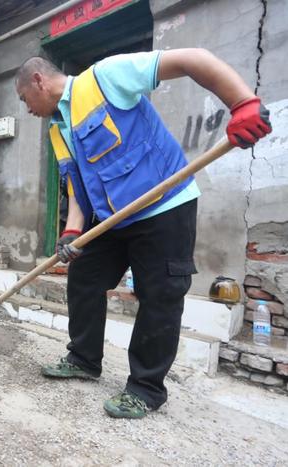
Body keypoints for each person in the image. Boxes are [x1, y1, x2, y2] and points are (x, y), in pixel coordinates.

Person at [15, 49, 271, 419]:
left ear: (38, 80)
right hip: (113, 219)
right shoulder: (59, 129)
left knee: (159, 295)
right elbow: (77, 187)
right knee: (84, 277)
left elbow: (192, 58)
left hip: (164, 205)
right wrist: (72, 231)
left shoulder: (105, 77)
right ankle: (84, 359)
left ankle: (145, 388)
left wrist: (242, 103)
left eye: (25, 99)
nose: (27, 109)